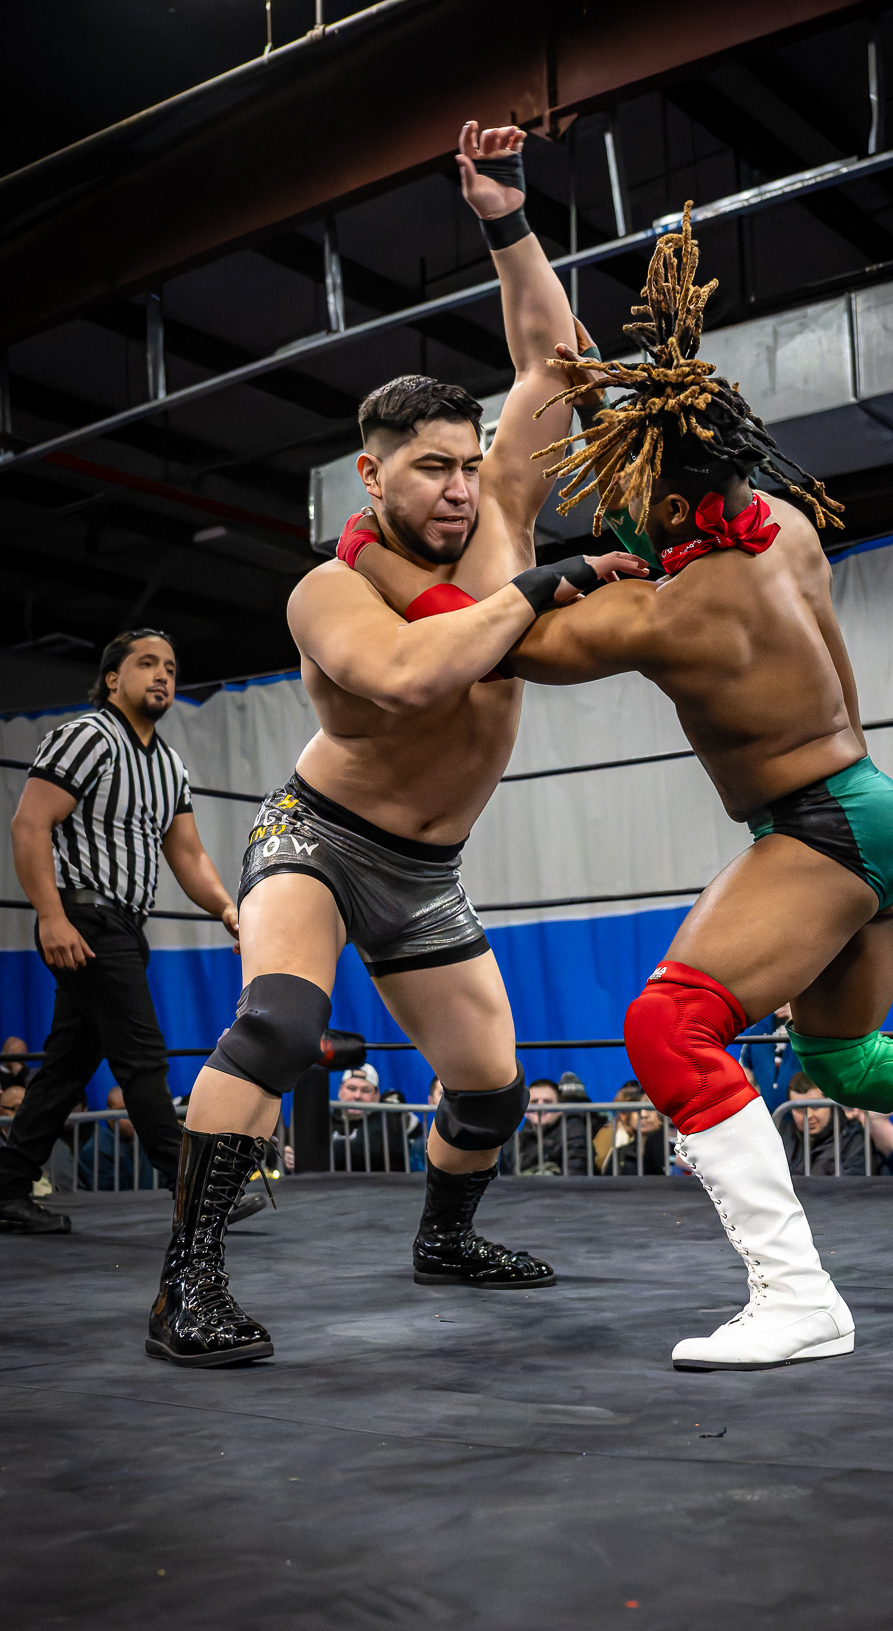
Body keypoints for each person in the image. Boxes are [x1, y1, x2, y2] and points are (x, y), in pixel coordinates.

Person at [498, 204, 893, 1369]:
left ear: (672, 507)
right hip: (878, 810)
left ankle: (797, 1298)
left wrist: (502, 553)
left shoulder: (673, 611)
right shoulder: (780, 526)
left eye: (626, 492)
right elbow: (593, 388)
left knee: (668, 1024)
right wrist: (509, 223)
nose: (610, 502)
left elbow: (501, 641)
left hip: (824, 826)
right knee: (844, 1059)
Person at [144, 121, 644, 1367]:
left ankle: (446, 1240)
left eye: (470, 466)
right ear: (372, 480)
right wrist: (543, 588)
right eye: (430, 471)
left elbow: (554, 360)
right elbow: (418, 675)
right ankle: (185, 1284)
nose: (461, 490)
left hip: (426, 871)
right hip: (317, 840)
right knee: (278, 1026)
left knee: (492, 1088)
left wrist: (507, 220)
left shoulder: (503, 514)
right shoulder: (330, 591)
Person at [2, 629, 241, 1236]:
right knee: (141, 1055)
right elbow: (29, 824)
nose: (163, 675)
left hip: (125, 926)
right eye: (147, 663)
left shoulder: (168, 764)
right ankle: (191, 1187)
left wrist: (227, 909)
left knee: (67, 1064)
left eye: (171, 667)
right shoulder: (89, 737)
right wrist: (51, 916)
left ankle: (7, 1187)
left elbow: (187, 854)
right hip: (84, 917)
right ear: (114, 679)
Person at [777, 1070, 872, 1180]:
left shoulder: (853, 1137)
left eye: (816, 1106)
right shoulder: (782, 1137)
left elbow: (851, 1185)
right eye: (799, 1109)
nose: (809, 1115)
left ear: (830, 1103)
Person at [505, 1078, 592, 1176]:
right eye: (534, 1102)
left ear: (560, 1110)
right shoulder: (516, 1139)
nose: (540, 1107)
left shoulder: (573, 1130)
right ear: (524, 1110)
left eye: (547, 1102)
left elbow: (575, 1172)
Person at [594, 1081, 667, 1176]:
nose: (643, 1114)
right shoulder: (619, 1155)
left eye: (650, 1108)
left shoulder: (674, 1152)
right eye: (637, 1109)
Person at [740, 1005, 799, 1114]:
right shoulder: (758, 1028)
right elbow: (746, 1068)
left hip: (803, 1114)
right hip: (763, 1114)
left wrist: (797, 1022)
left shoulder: (809, 1023)